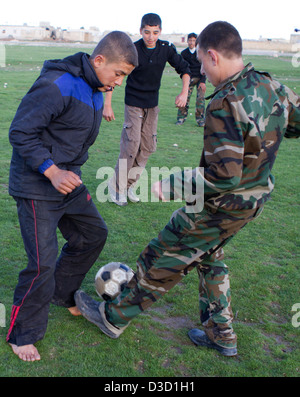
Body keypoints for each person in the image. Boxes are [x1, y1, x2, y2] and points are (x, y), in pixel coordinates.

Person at [75, 21, 300, 356]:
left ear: (212, 56)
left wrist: (173, 182)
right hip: (252, 203)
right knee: (210, 258)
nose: (202, 74)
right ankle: (221, 333)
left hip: (219, 205)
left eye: (201, 65)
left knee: (162, 255)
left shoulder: (224, 102)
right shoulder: (272, 86)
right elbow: (293, 125)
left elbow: (224, 175)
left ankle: (112, 317)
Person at [6, 31, 138, 362]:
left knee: (93, 233)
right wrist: (52, 171)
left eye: (124, 77)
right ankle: (22, 334)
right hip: (38, 184)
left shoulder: (96, 88)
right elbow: (20, 131)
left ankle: (62, 293)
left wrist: (67, 173)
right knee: (42, 263)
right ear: (98, 60)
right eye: (118, 73)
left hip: (68, 183)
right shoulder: (59, 83)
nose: (119, 82)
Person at [104, 13, 191, 206]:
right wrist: (107, 104)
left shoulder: (166, 48)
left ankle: (129, 185)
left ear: (160, 31)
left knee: (148, 147)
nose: (151, 37)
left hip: (152, 104)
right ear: (140, 31)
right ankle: (116, 188)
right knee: (131, 145)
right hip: (133, 103)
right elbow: (116, 75)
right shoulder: (133, 50)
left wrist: (184, 93)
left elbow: (185, 70)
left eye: (155, 32)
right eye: (147, 32)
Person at [176, 33, 206, 127]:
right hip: (189, 79)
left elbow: (204, 67)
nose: (191, 42)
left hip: (200, 77)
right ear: (187, 41)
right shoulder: (184, 53)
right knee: (184, 98)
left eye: (193, 40)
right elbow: (182, 69)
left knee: (200, 100)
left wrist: (203, 82)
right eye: (190, 40)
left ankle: (200, 120)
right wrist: (186, 84)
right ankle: (181, 118)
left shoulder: (200, 52)